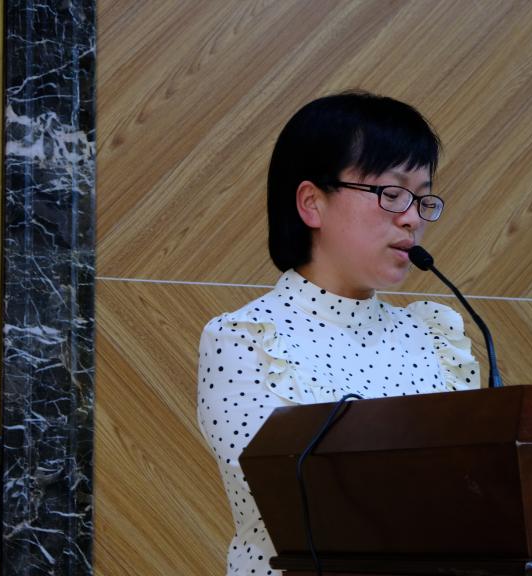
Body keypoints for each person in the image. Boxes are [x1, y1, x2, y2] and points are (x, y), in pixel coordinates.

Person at [197, 91, 481, 576]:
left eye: (422, 198)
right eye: (391, 193)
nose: (412, 217)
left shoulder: (434, 335)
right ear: (312, 203)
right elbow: (299, 503)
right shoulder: (246, 338)